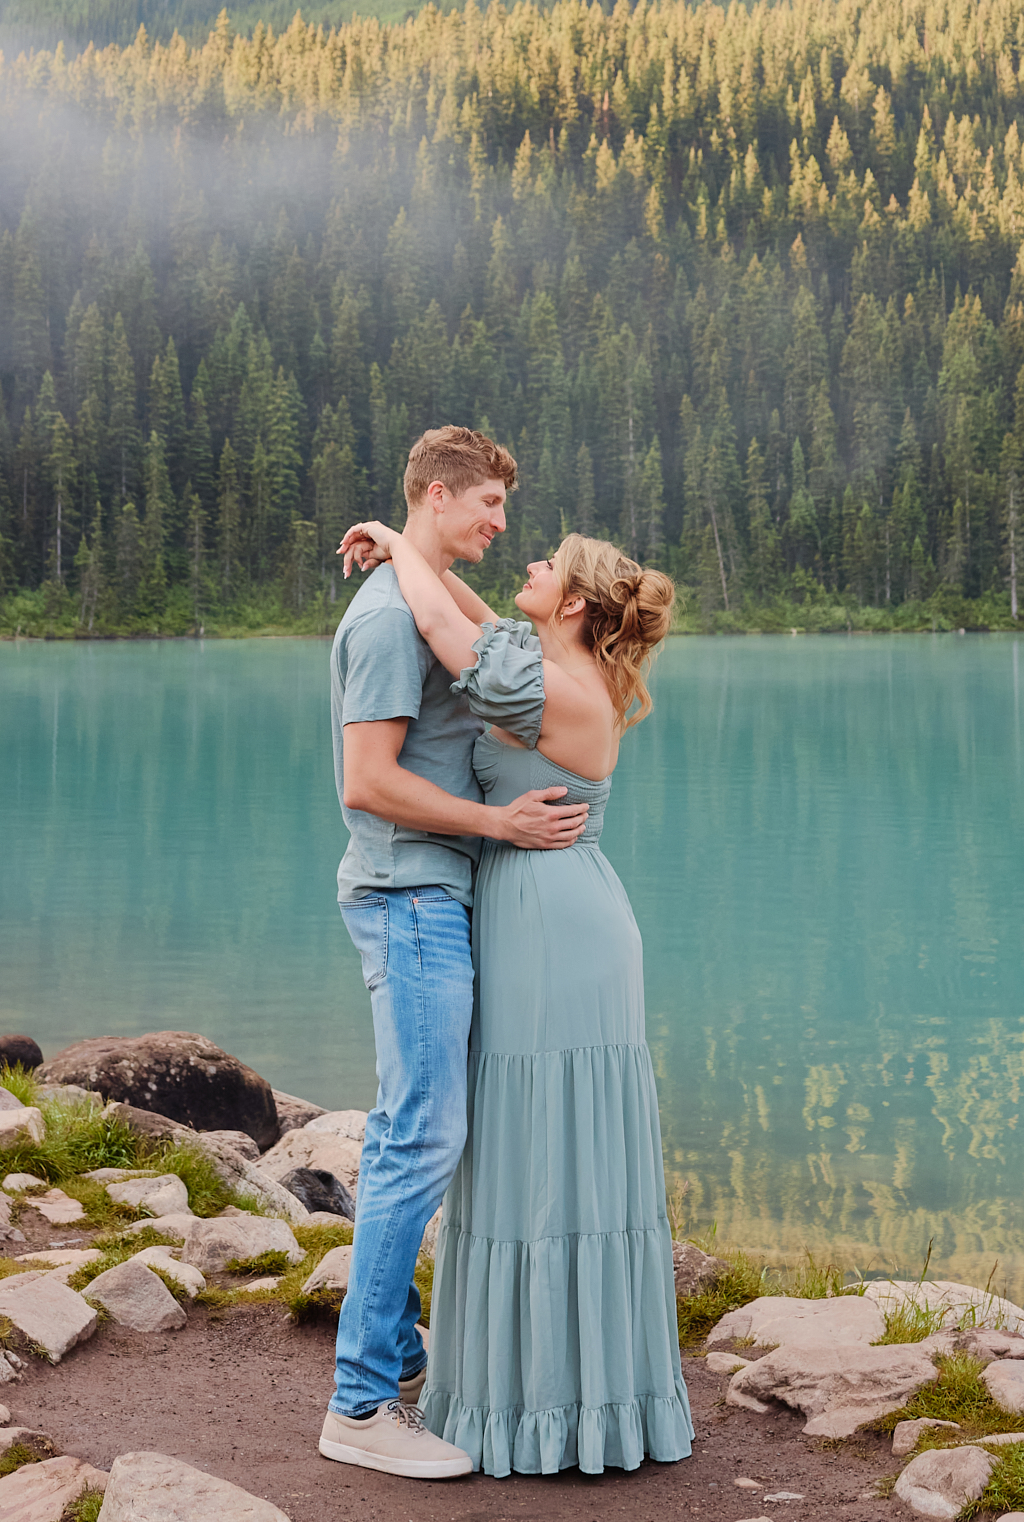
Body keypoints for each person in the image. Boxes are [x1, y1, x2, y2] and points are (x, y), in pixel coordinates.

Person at [335, 513, 694, 1481]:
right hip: (531, 906)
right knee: (521, 1137)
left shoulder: (554, 689)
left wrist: (396, 536)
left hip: (552, 923)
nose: (526, 559)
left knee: (548, 1136)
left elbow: (451, 627)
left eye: (547, 562)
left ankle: (554, 1406)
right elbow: (476, 616)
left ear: (573, 601)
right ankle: (518, 1389)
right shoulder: (545, 665)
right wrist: (407, 544)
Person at [319, 426, 592, 1482]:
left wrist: (400, 543)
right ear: (438, 493)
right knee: (418, 1138)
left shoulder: (412, 589)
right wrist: (498, 828)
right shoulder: (390, 616)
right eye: (485, 505)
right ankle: (358, 1405)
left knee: (421, 1128)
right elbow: (366, 783)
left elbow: (476, 639)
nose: (499, 523)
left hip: (431, 895)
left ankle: (394, 1351)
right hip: (409, 893)